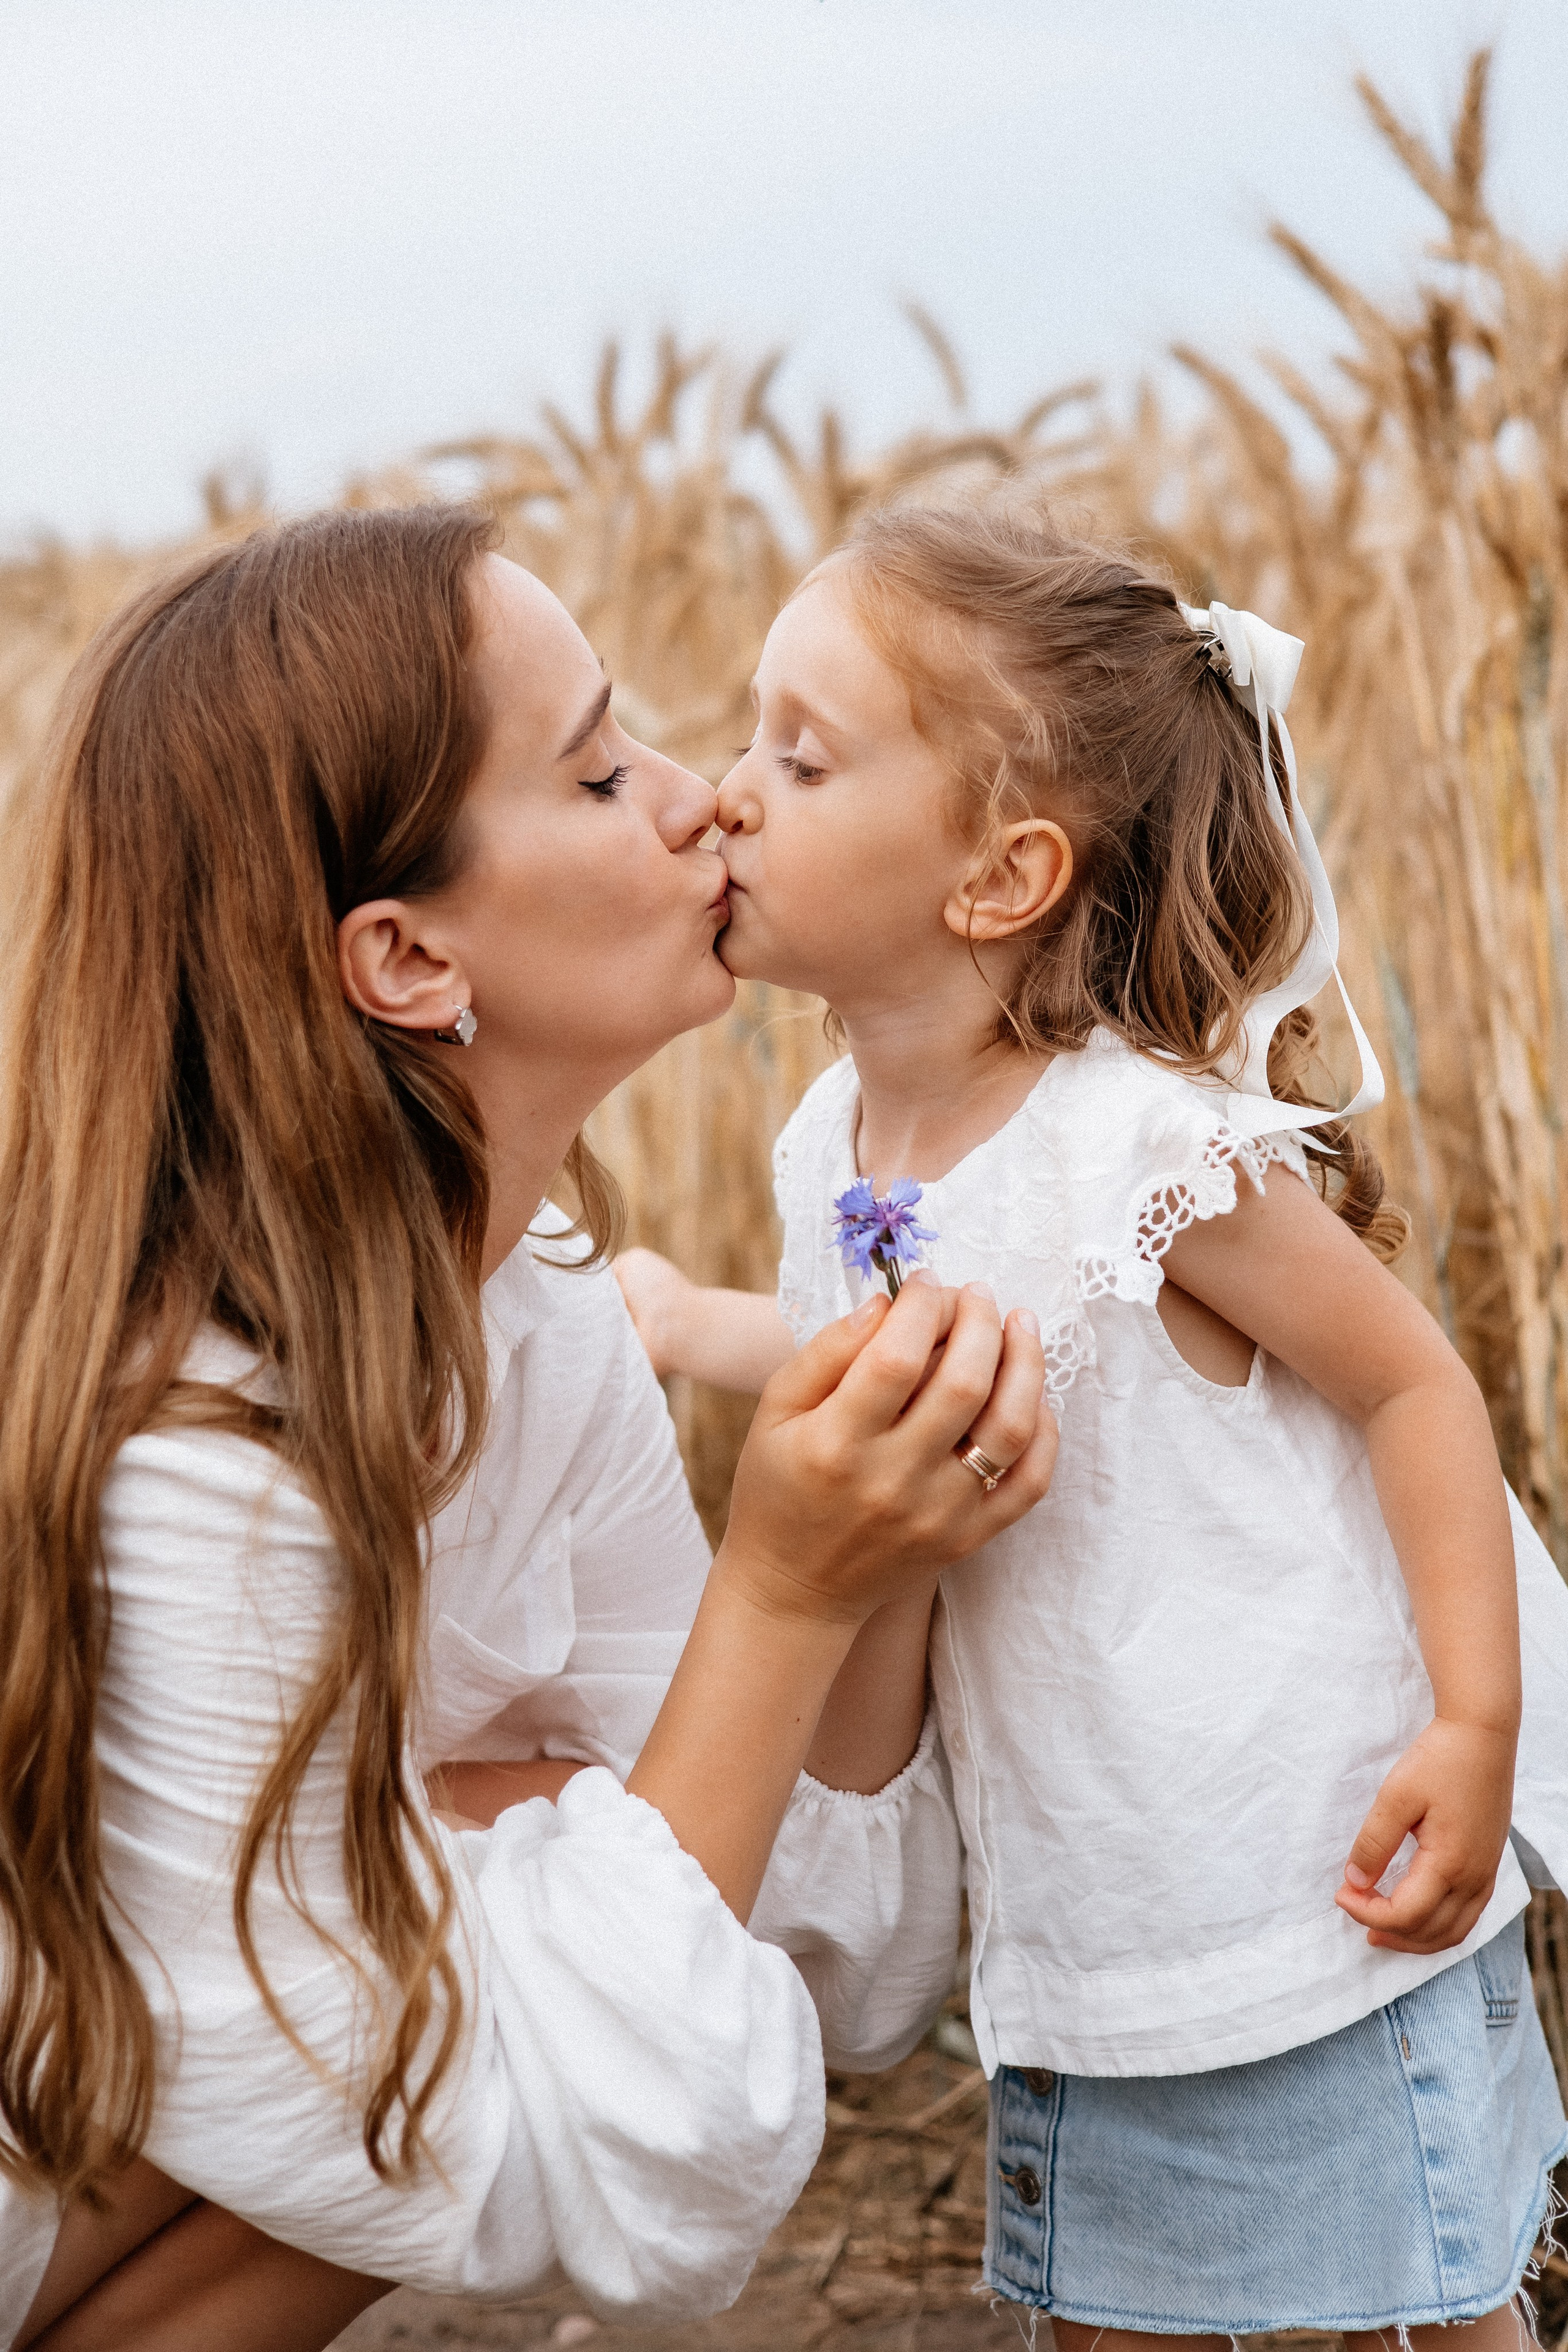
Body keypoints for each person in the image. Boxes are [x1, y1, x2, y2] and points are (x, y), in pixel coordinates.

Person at [0, 505, 1057, 2351]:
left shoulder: (535, 1314)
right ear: (406, 963)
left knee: (470, 1973)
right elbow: (495, 2132)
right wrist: (779, 1606)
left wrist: (876, 1560)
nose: (698, 800)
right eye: (594, 778)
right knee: (433, 2044)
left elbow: (827, 1953)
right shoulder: (180, 1460)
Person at [614, 499, 1568, 2350]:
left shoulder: (1142, 1145)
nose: (728, 792)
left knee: (1438, 2312)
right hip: (1086, 1925)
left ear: (999, 878)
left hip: (1310, 1882)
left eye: (800, 759)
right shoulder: (831, 1151)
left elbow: (1409, 1380)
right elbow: (873, 1347)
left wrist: (1474, 1717)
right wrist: (683, 1325)